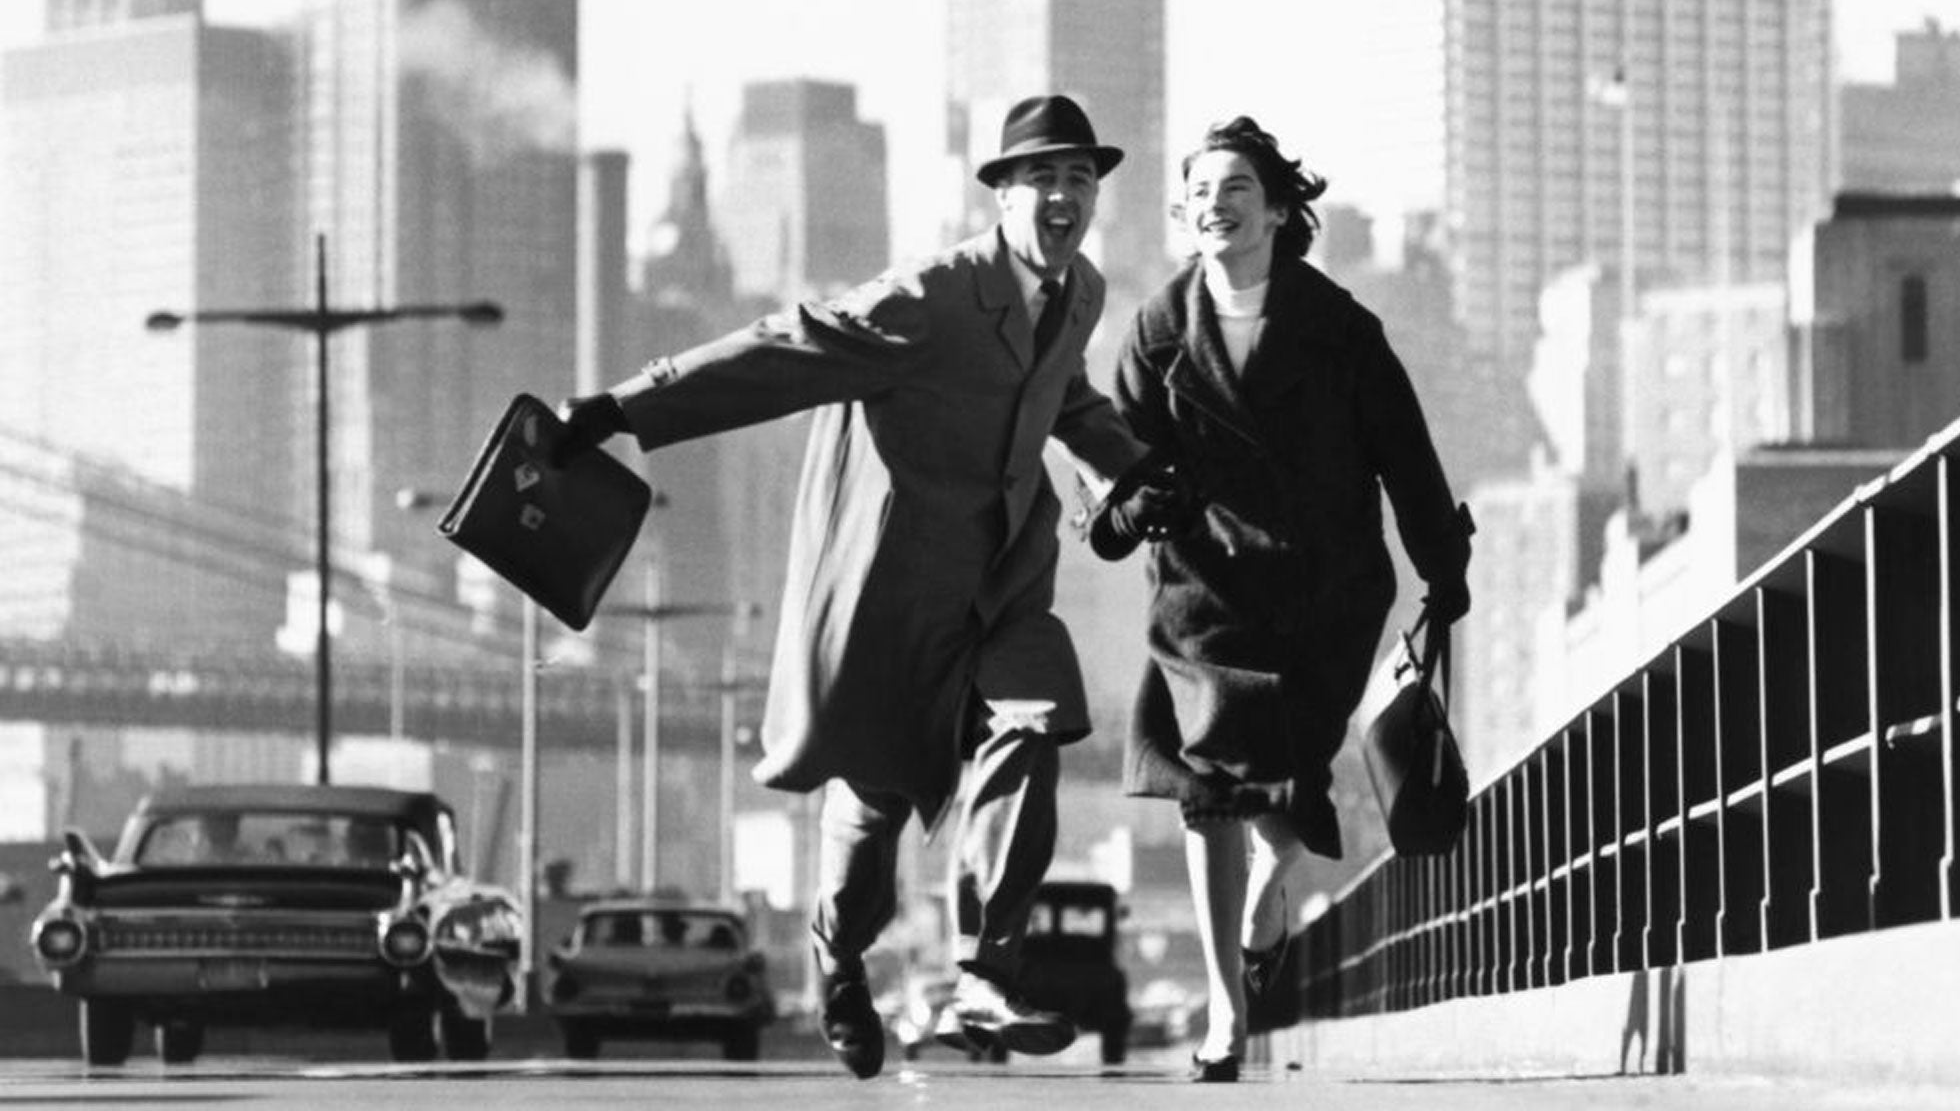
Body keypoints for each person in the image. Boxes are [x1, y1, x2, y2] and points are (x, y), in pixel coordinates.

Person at [552, 94, 1158, 1080]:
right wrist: (621, 406)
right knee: (871, 812)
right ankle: (838, 959)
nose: (1063, 196)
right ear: (1000, 194)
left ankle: (985, 977)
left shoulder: (1080, 290)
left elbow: (1066, 397)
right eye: (1041, 177)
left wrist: (1129, 467)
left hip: (1006, 585)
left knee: (1035, 726)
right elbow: (785, 349)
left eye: (1080, 180)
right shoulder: (929, 296)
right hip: (896, 596)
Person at [1088, 115, 1474, 1083]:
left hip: (1322, 593)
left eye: (1235, 191)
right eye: (1199, 194)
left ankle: (1270, 894)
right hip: (1202, 592)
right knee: (1203, 792)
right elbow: (1114, 456)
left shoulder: (1341, 330)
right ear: (1182, 213)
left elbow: (1404, 455)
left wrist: (1440, 562)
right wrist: (1124, 511)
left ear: (1275, 211)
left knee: (1285, 789)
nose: (1214, 207)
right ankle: (1226, 1013)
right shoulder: (1156, 330)